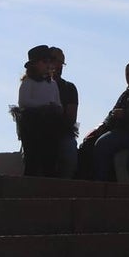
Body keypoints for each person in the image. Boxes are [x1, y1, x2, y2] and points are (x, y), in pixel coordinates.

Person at [17, 44, 64, 177]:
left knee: (50, 155)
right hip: (32, 123)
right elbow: (24, 102)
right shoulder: (28, 82)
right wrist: (43, 105)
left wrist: (55, 108)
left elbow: (58, 102)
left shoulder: (52, 84)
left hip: (50, 123)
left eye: (49, 61)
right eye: (44, 61)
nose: (48, 64)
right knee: (32, 156)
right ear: (34, 65)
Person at [49, 47, 80, 179]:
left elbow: (70, 118)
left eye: (61, 62)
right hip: (38, 132)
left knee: (69, 152)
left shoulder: (69, 88)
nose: (58, 65)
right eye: (55, 60)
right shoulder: (36, 84)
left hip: (62, 133)